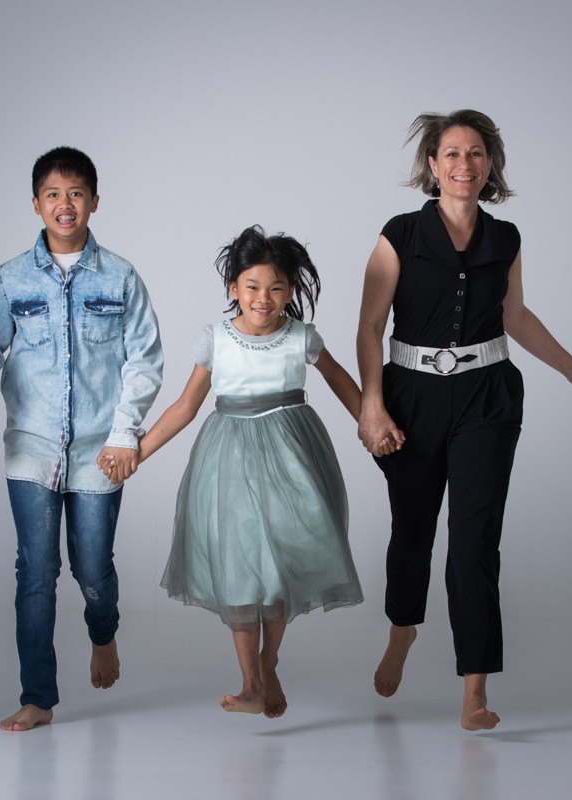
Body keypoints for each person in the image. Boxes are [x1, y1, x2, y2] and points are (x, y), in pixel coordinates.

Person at [356, 110, 572, 731]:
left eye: (475, 153)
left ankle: (475, 687)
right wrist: (372, 403)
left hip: (487, 398)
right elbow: (370, 326)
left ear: (490, 164)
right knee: (412, 531)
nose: (463, 164)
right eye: (451, 153)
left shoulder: (506, 237)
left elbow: (515, 316)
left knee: (474, 540)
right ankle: (402, 629)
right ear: (432, 164)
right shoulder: (399, 233)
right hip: (410, 397)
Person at [128, 225, 363, 718]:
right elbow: (185, 407)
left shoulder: (301, 337)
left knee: (279, 567)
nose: (263, 298)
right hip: (229, 461)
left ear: (290, 292)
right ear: (233, 287)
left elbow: (341, 380)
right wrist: (137, 452)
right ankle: (251, 682)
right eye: (252, 286)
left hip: (293, 459)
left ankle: (269, 661)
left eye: (276, 288)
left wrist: (373, 422)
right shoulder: (215, 339)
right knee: (239, 567)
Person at [0, 146, 163, 732]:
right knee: (36, 570)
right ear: (36, 204)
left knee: (94, 569)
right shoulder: (11, 278)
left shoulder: (120, 276)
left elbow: (145, 359)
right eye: (53, 194)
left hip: (101, 451)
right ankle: (38, 697)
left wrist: (125, 434)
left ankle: (103, 633)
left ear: (94, 201)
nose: (65, 204)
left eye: (76, 193)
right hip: (31, 448)